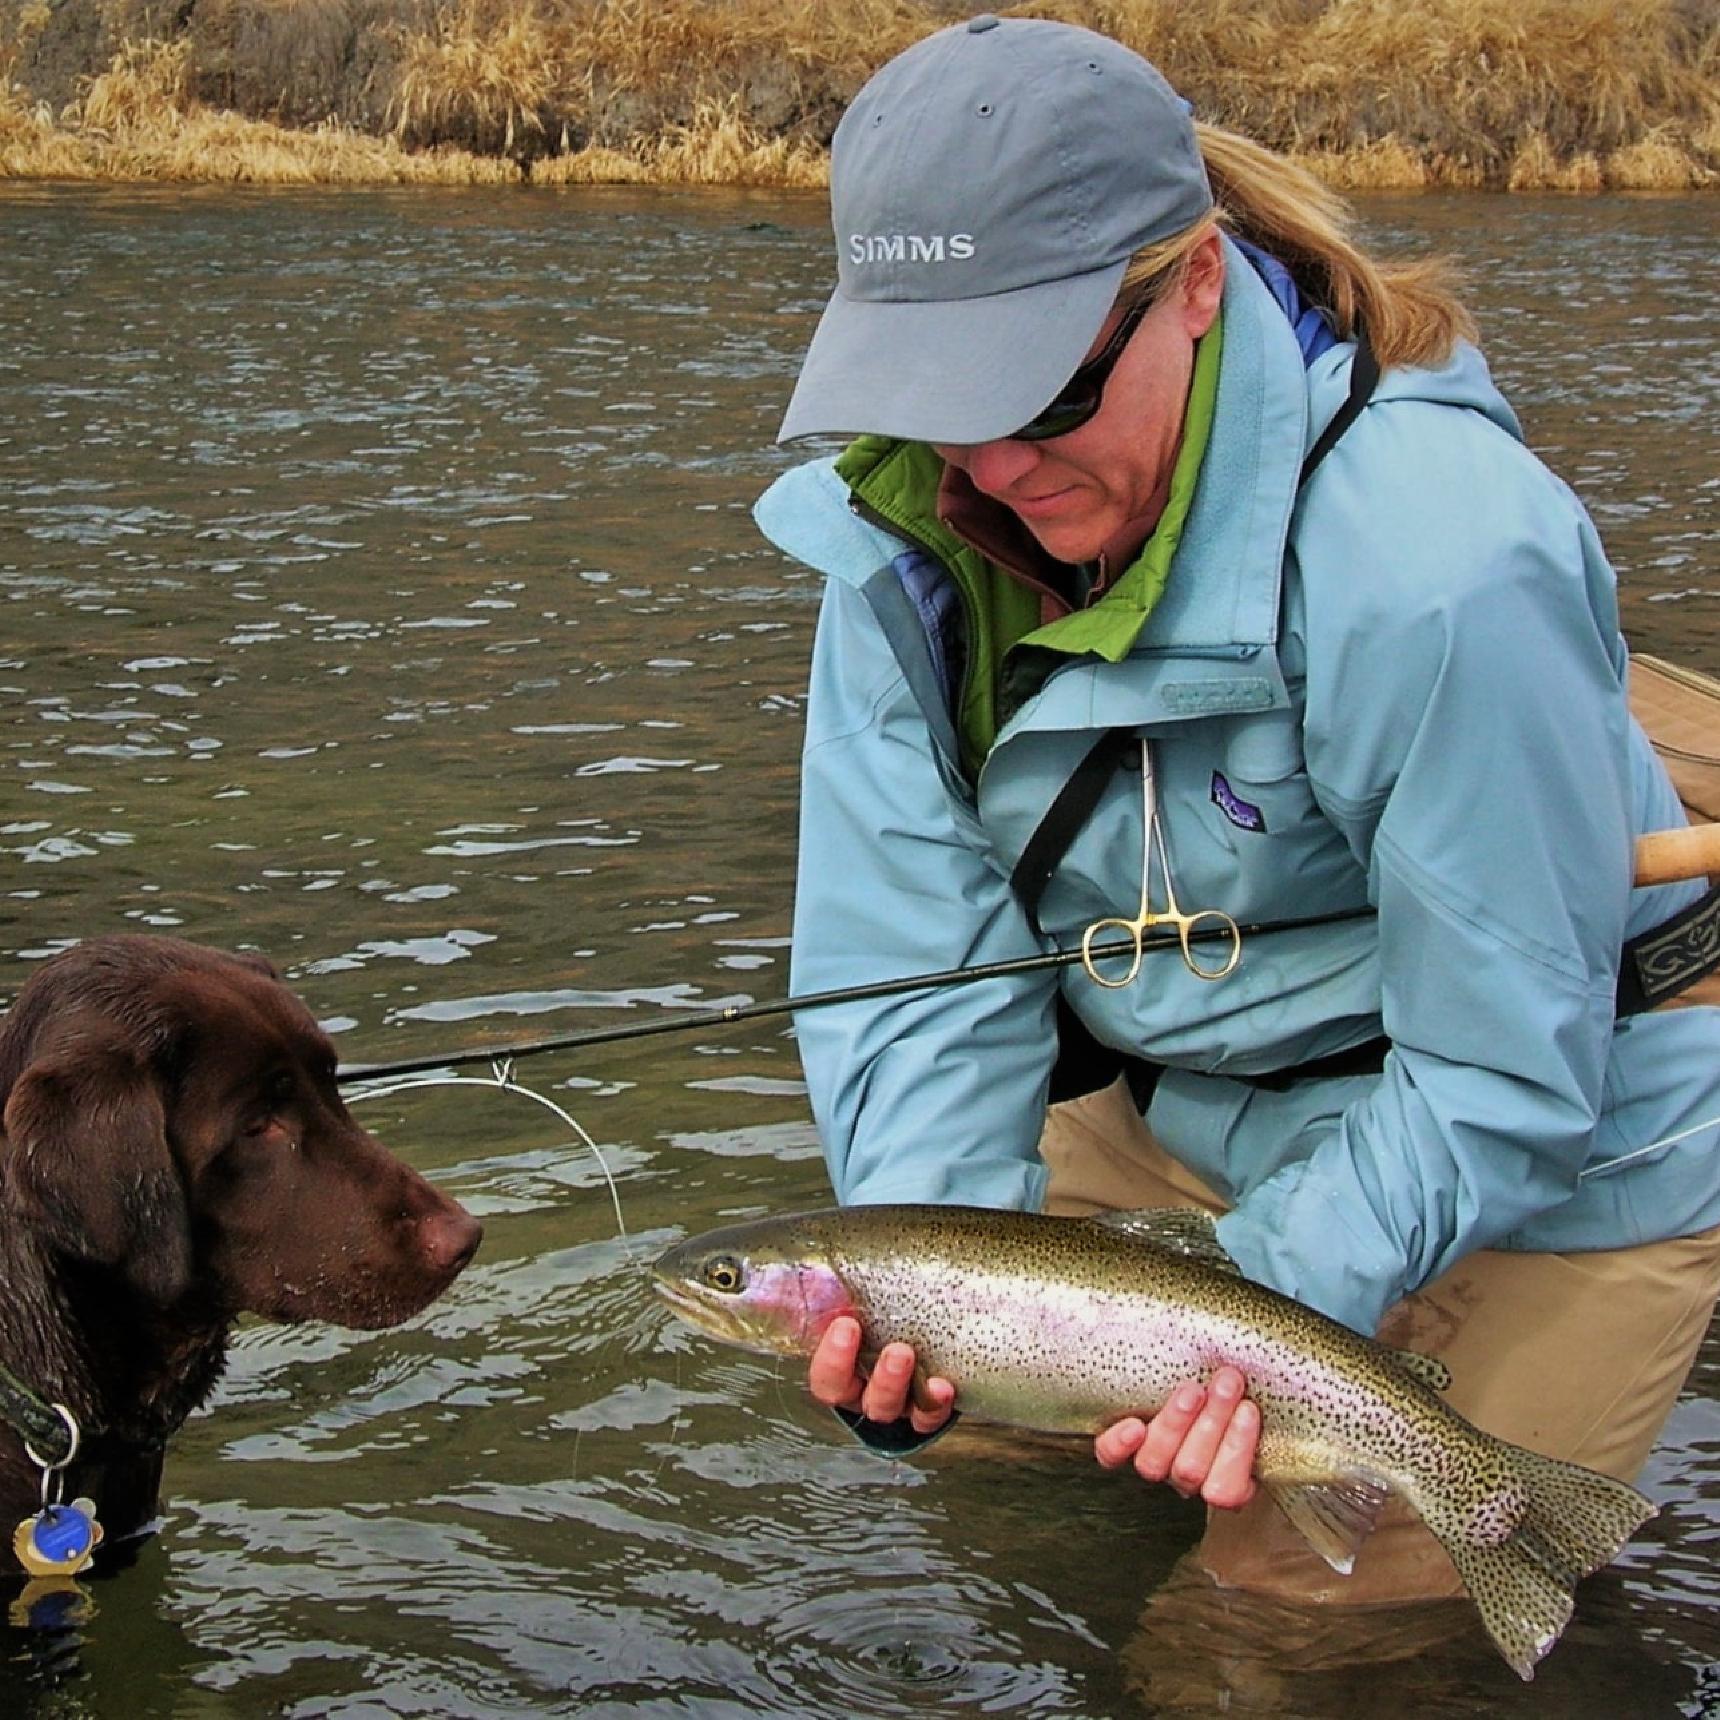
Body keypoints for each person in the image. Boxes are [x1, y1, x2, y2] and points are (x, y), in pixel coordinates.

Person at [753, 13, 1720, 1599]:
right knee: (987, 1455)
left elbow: (1502, 1067)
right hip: (1192, 1090)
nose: (990, 467)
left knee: (1275, 1659)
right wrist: (921, 1307)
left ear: (1195, 283)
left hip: (1546, 1132)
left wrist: (1239, 1321)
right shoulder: (904, 532)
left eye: (1045, 395)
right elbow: (914, 977)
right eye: (936, 400)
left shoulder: (1440, 565)